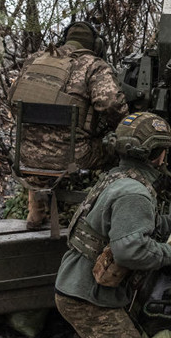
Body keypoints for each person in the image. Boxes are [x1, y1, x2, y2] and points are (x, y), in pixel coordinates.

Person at [54, 112, 171, 338]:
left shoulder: (117, 178)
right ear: (156, 154)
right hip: (87, 298)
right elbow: (129, 250)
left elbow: (140, 225)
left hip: (78, 288)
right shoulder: (135, 193)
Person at [9, 21, 128, 229]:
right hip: (73, 158)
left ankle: (36, 212)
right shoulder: (93, 65)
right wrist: (122, 127)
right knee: (117, 148)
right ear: (95, 45)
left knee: (40, 142)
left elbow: (12, 101)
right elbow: (111, 105)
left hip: (25, 155)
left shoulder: (34, 60)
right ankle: (104, 213)